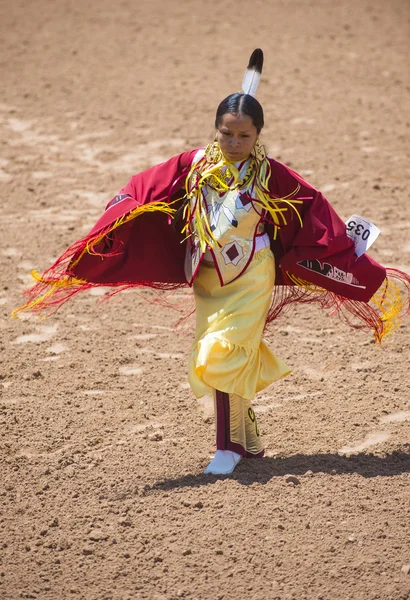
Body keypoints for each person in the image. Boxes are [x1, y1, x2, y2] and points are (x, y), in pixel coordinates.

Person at [13, 49, 410, 475]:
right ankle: (249, 440)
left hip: (251, 277)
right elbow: (140, 189)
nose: (235, 144)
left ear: (259, 134)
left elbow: (318, 220)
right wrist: (117, 220)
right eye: (227, 134)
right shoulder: (192, 166)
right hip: (208, 280)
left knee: (221, 354)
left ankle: (227, 449)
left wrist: (360, 265)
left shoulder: (273, 176)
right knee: (228, 356)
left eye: (245, 136)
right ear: (216, 130)